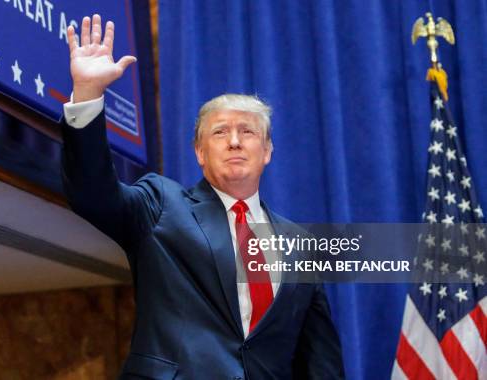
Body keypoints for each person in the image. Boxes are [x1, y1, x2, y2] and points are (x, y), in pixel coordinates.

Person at [61, 14, 344, 380]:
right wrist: (87, 95)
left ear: (268, 150)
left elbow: (319, 360)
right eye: (220, 132)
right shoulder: (161, 204)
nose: (235, 141)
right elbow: (93, 195)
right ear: (199, 151)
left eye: (248, 131)